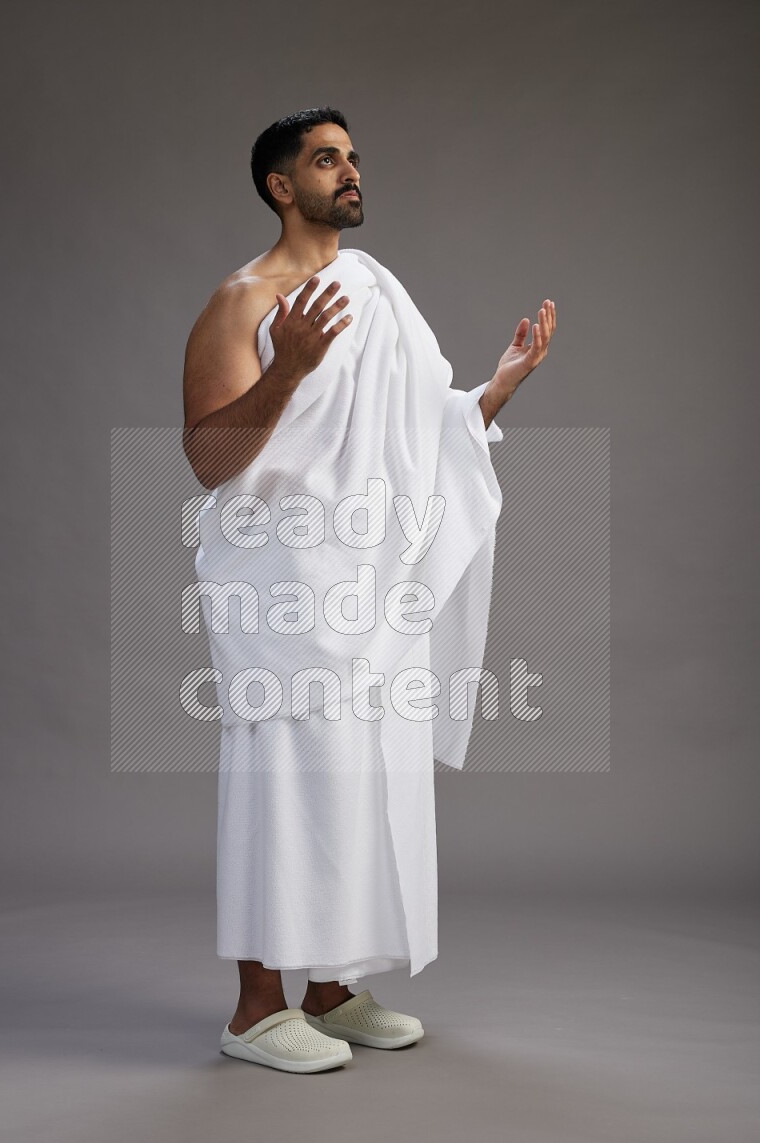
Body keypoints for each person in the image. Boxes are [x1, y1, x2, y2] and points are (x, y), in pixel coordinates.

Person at [182, 107, 556, 1073]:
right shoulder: (242, 300)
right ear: (279, 185)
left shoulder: (377, 293)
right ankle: (256, 1011)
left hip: (371, 590)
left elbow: (412, 430)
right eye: (325, 159)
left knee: (365, 783)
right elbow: (207, 457)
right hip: (285, 588)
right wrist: (291, 366)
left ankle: (334, 991)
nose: (349, 172)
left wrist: (492, 395)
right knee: (284, 790)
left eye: (351, 157)